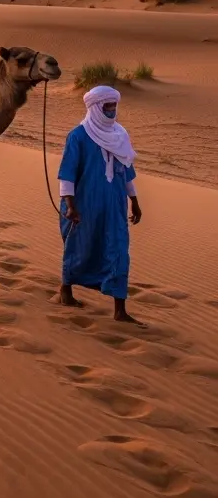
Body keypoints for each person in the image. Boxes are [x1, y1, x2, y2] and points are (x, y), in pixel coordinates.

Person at [58, 85, 143, 324]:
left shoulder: (120, 135)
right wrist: (70, 205)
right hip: (84, 204)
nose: (112, 110)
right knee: (78, 246)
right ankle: (66, 290)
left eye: (114, 105)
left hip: (114, 206)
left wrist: (134, 201)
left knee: (118, 250)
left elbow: (126, 171)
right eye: (107, 106)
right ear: (96, 107)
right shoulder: (78, 136)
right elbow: (67, 174)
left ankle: (119, 310)